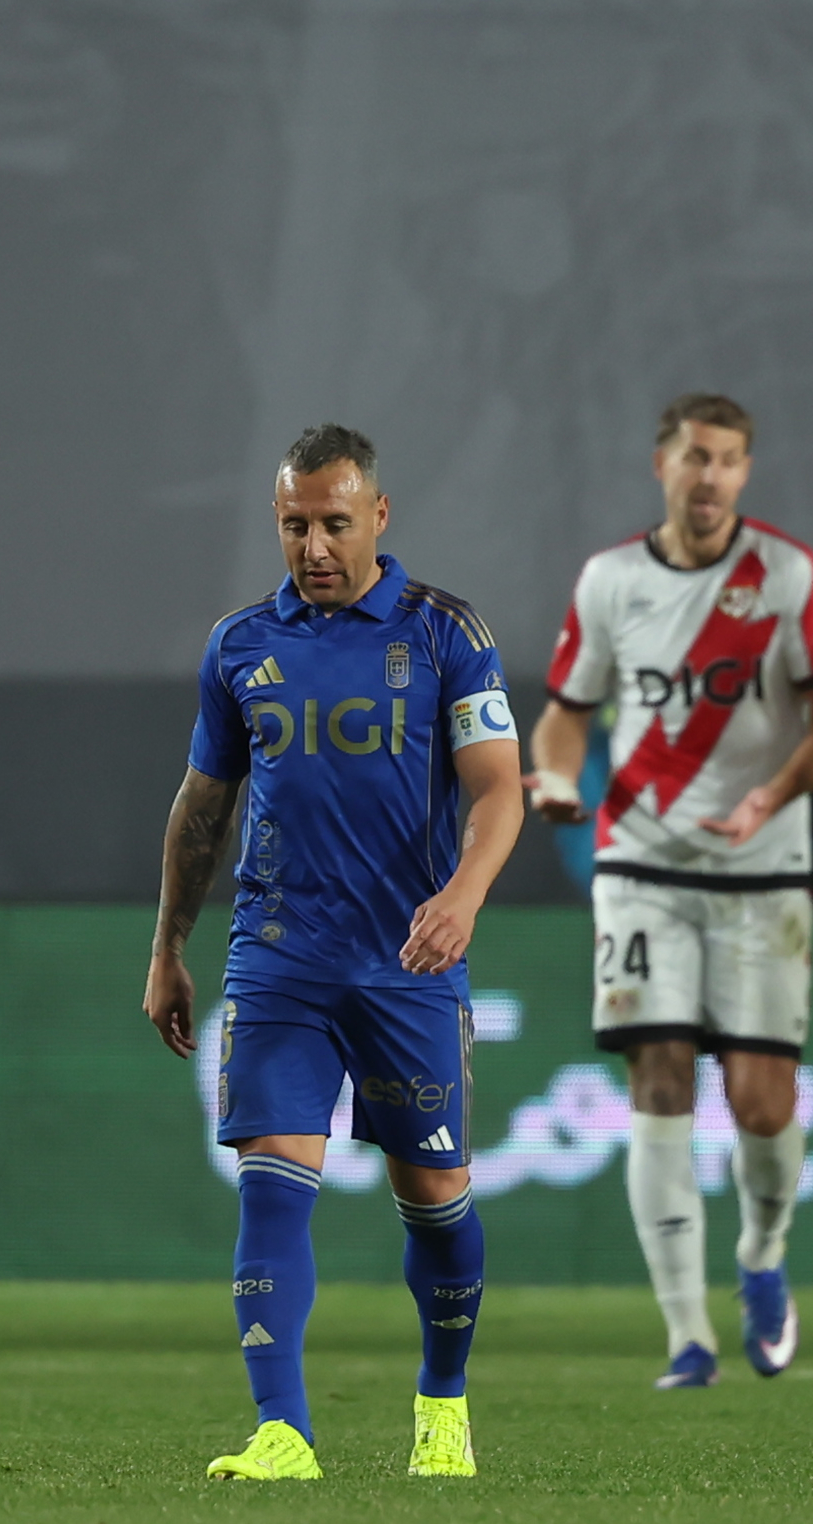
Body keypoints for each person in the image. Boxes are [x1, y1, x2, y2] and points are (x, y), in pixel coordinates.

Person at [142, 424, 524, 1480]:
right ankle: (284, 1431)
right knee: (271, 1178)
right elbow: (202, 806)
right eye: (294, 524)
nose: (312, 545)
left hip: (406, 959)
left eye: (333, 523)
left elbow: (499, 787)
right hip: (278, 954)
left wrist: (463, 893)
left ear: (379, 517)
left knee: (437, 1200)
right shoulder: (237, 645)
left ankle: (442, 1406)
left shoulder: (446, 632)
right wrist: (168, 944)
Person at [527, 394, 813, 1388]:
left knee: (760, 1106)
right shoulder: (611, 581)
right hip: (641, 864)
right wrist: (550, 777)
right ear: (660, 466)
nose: (708, 477)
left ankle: (760, 1255)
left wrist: (772, 795)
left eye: (727, 461)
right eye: (693, 458)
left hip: (762, 871)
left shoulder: (787, 575)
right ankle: (686, 1335)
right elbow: (565, 717)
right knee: (658, 1081)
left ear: (745, 474)